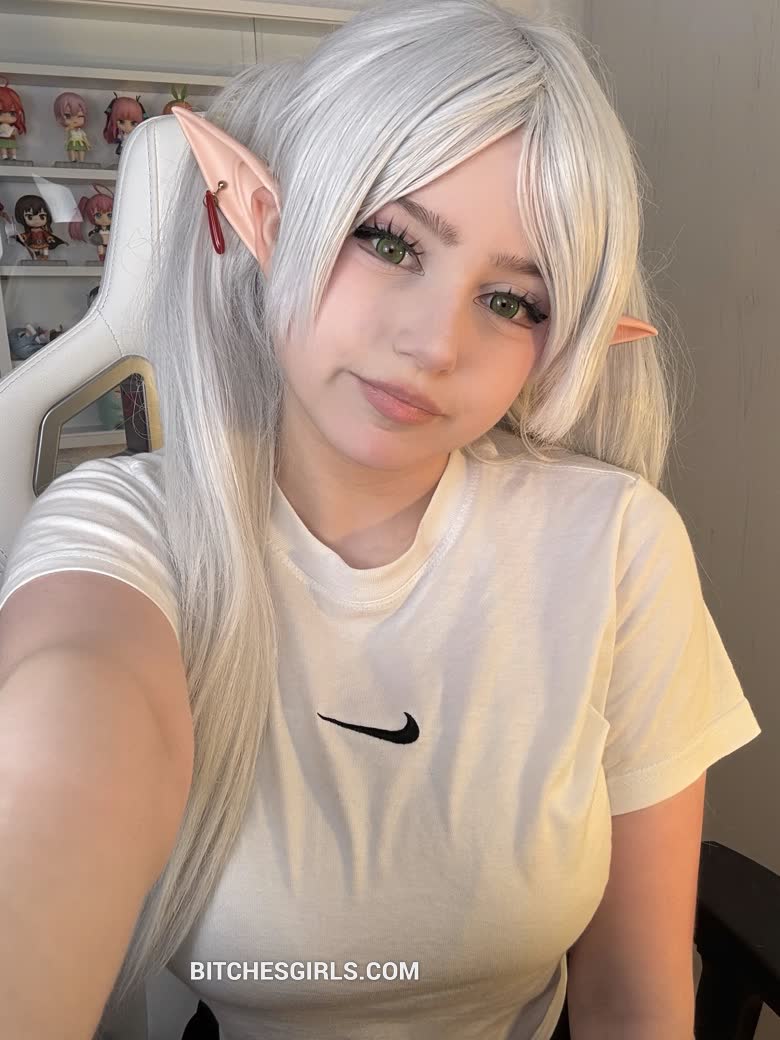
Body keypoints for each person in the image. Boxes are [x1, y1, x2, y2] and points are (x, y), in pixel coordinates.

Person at [0, 1, 762, 1038]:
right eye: (389, 240)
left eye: (512, 301)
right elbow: (68, 740)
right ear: (268, 217)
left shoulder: (618, 544)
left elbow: (634, 992)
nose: (434, 343)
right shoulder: (130, 531)